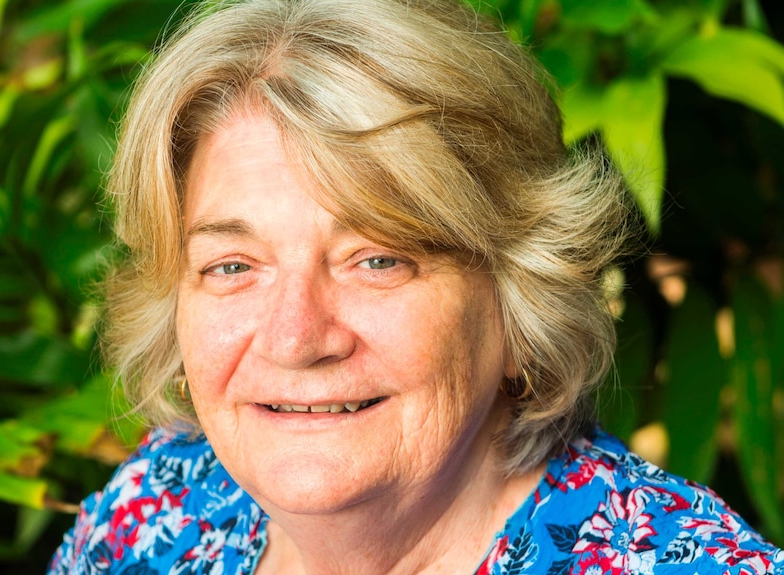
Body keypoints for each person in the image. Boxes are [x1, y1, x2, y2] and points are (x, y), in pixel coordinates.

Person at [48, 0, 784, 573]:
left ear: (518, 297)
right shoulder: (154, 509)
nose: (295, 336)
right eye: (233, 266)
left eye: (378, 259)